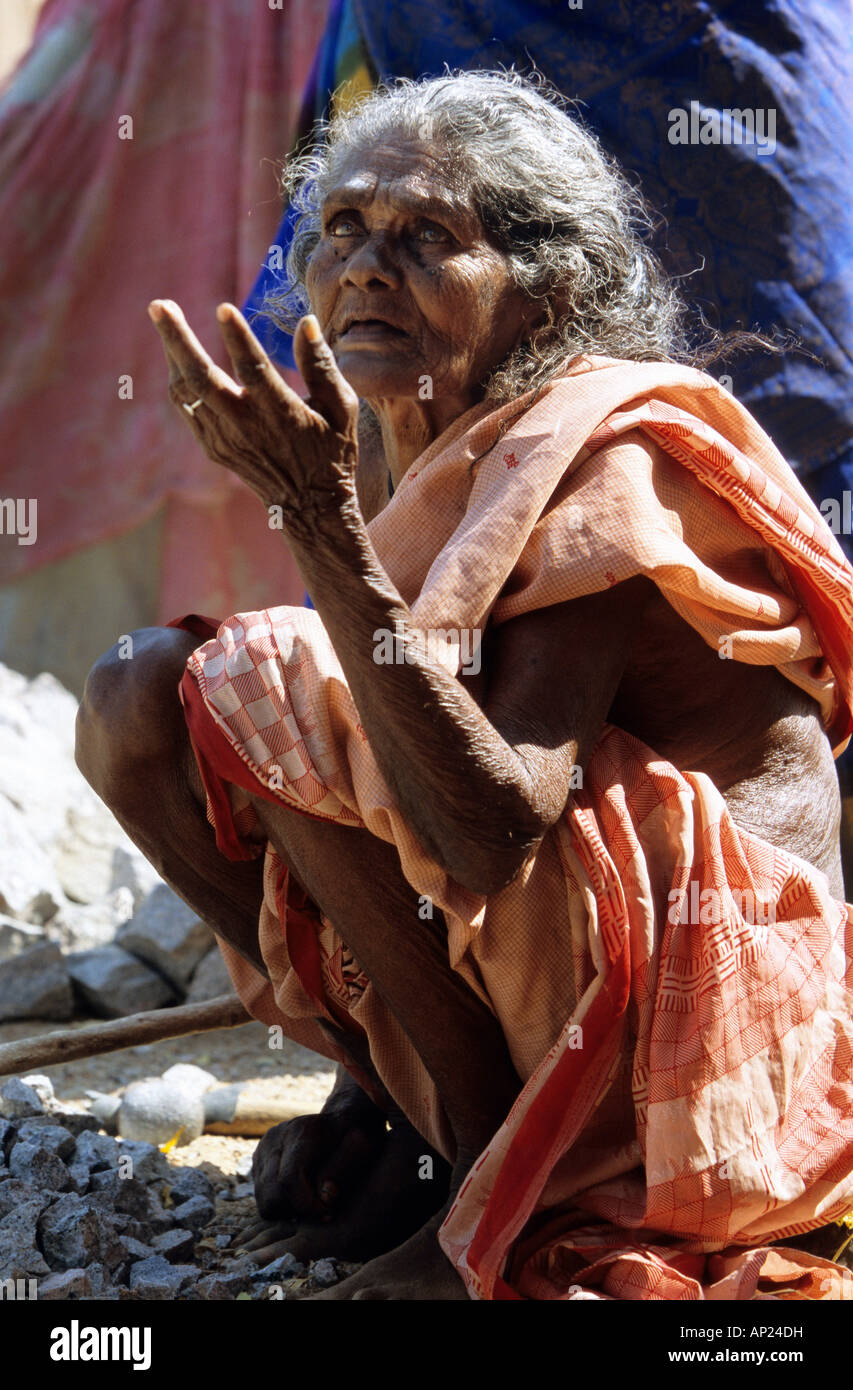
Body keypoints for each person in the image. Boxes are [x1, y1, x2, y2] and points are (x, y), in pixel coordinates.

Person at [75, 71, 853, 1301]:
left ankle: (507, 1186)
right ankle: (419, 1122)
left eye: (427, 237)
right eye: (343, 228)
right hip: (567, 965)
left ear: (543, 288)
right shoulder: (410, 432)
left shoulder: (601, 452)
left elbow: (491, 829)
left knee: (271, 676)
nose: (367, 266)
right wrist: (361, 1085)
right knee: (142, 692)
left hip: (715, 1053)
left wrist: (321, 526)